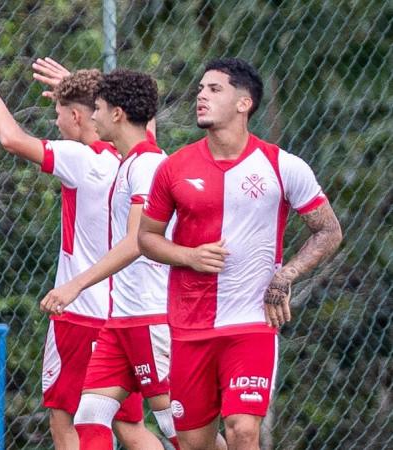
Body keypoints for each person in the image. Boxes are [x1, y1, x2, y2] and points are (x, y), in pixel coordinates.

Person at [138, 58, 342, 450]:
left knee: (243, 431)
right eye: (200, 89)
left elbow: (328, 231)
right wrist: (189, 256)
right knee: (194, 443)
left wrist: (285, 277)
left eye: (214, 89)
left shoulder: (283, 166)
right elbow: (147, 238)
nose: (201, 95)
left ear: (244, 103)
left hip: (251, 322)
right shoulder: (174, 168)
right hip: (189, 324)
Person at [0, 48, 162, 450]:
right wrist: (83, 85)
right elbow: (140, 111)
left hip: (79, 313)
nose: (55, 123)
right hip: (124, 312)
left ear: (79, 116)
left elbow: (10, 137)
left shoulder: (82, 158)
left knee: (67, 420)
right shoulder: (138, 156)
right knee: (130, 427)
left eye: (59, 114)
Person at [38, 69, 181, 449]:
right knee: (89, 416)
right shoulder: (130, 160)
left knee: (179, 427)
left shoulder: (149, 166)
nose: (92, 116)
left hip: (149, 315)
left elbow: (138, 240)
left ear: (116, 114)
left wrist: (75, 283)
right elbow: (140, 109)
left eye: (97, 108)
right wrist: (81, 86)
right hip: (121, 320)